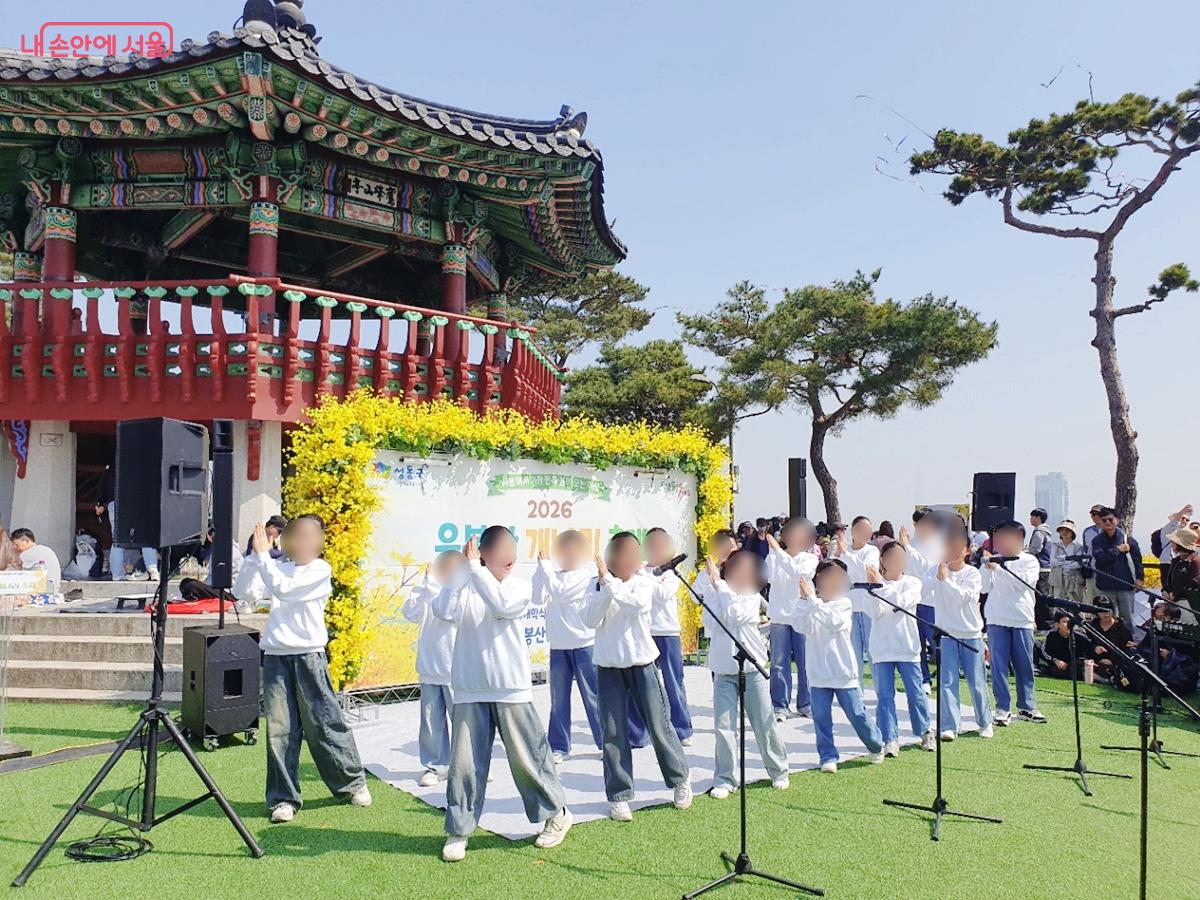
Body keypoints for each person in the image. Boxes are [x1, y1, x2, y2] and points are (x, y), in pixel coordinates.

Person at [433, 526, 572, 861]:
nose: (509, 555)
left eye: (512, 547)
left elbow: (501, 605)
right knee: (465, 764)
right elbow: (444, 612)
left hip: (511, 686)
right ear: (482, 553)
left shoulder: (518, 586)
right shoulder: (466, 581)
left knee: (528, 758)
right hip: (469, 688)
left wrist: (475, 570)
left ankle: (557, 813)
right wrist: (462, 573)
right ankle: (460, 828)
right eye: (500, 548)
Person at [248, 516, 372, 825]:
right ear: (287, 540)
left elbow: (286, 591)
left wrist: (263, 558)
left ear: (319, 542)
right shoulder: (277, 566)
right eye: (297, 536)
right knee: (279, 730)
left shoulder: (320, 569)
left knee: (324, 722)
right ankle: (283, 798)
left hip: (308, 656)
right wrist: (253, 557)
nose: (303, 542)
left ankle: (352, 783)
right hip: (276, 657)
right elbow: (245, 592)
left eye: (310, 536)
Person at [585, 532, 692, 822]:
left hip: (642, 663)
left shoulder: (644, 581)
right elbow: (589, 619)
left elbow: (635, 607)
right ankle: (619, 796)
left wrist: (611, 584)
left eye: (631, 554)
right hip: (608, 667)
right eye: (618, 554)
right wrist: (605, 586)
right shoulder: (596, 585)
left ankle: (680, 779)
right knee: (613, 733)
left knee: (659, 726)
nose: (625, 560)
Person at [776, 558, 884, 773]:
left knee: (857, 713)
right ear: (818, 579)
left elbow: (833, 622)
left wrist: (811, 601)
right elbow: (800, 625)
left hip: (843, 672)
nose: (834, 582)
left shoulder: (844, 603)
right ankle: (828, 756)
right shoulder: (809, 604)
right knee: (821, 718)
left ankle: (876, 744)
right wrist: (805, 601)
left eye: (839, 578)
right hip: (818, 673)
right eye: (829, 577)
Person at [700, 551, 790, 799]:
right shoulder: (716, 592)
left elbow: (735, 615)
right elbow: (712, 622)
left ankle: (779, 770)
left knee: (763, 722)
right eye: (735, 571)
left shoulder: (751, 596)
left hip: (752, 669)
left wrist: (720, 587)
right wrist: (716, 587)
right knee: (724, 727)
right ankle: (725, 779)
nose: (741, 576)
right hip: (723, 670)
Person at [532, 530, 604, 763]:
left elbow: (560, 593)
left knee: (593, 697)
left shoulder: (584, 576)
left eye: (573, 552)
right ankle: (559, 746)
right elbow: (537, 597)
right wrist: (540, 569)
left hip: (584, 644)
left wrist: (546, 568)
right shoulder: (551, 574)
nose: (569, 556)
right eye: (564, 551)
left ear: (582, 554)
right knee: (558, 699)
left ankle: (606, 743)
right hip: (558, 646)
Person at [402, 549, 466, 787]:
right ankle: (435, 766)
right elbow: (410, 613)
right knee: (431, 723)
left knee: (463, 721)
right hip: (429, 668)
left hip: (455, 669)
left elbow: (449, 613)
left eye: (452, 568)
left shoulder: (461, 593)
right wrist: (423, 585)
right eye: (443, 567)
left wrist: (435, 587)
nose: (446, 572)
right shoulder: (427, 589)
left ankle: (470, 763)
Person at [926, 523, 993, 741]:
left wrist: (945, 579)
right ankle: (949, 725)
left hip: (970, 634)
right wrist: (937, 576)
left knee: (976, 681)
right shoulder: (936, 570)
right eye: (949, 546)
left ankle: (985, 722)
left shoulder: (972, 573)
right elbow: (921, 591)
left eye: (958, 547)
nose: (953, 550)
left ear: (967, 551)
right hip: (947, 635)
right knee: (947, 681)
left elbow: (963, 597)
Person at [866, 543, 934, 753]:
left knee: (915, 692)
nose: (898, 562)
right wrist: (878, 588)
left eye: (901, 558)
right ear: (883, 560)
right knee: (885, 696)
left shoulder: (912, 582)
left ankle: (925, 731)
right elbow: (875, 611)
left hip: (907, 647)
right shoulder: (873, 586)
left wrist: (880, 588)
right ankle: (889, 738)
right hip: (882, 649)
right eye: (893, 557)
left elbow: (901, 603)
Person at [982, 520, 1047, 725]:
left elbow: (1022, 583)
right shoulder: (993, 560)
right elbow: (983, 588)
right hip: (996, 618)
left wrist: (997, 568)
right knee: (998, 666)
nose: (1000, 541)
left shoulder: (1029, 560)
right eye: (998, 538)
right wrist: (987, 568)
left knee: (1024, 664)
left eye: (1005, 537)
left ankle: (1027, 706)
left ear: (1019, 538)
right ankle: (1002, 707)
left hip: (1021, 619)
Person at [641, 527, 694, 745]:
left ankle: (682, 729)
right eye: (652, 545)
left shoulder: (671, 573)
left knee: (674, 682)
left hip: (668, 633)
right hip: (645, 633)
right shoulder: (640, 570)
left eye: (661, 545)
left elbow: (662, 595)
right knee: (646, 684)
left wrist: (645, 578)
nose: (656, 549)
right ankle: (646, 731)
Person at [764, 519, 819, 720]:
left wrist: (779, 552)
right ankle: (780, 705)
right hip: (780, 616)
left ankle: (806, 703)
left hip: (802, 615)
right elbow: (771, 578)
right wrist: (776, 553)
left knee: (806, 662)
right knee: (779, 663)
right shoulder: (772, 556)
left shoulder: (809, 558)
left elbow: (798, 574)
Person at [900, 509, 944, 693]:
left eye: (930, 523)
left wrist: (907, 548)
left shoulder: (938, 544)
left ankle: (944, 677)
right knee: (915, 642)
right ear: (915, 524)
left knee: (935, 641)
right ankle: (924, 679)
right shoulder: (910, 543)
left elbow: (928, 568)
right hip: (911, 600)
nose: (927, 526)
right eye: (923, 523)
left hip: (930, 601)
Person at [834, 516, 881, 690]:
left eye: (867, 530)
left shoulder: (872, 551)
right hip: (848, 607)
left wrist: (846, 554)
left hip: (868, 607)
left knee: (873, 651)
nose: (864, 533)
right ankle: (856, 691)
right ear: (853, 531)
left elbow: (866, 571)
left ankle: (881, 691)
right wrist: (838, 553)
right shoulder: (842, 550)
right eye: (860, 529)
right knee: (852, 653)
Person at [94, 464, 159, 582]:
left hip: (116, 501)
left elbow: (103, 484)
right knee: (146, 537)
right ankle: (152, 570)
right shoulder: (144, 464)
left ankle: (117, 575)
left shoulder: (114, 466)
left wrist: (100, 502)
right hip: (139, 500)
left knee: (117, 540)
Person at [1090, 507, 1144, 625]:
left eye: (1110, 519)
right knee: (1106, 619)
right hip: (1106, 586)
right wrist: (1117, 550)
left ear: (1117, 520)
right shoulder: (1097, 541)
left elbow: (1137, 561)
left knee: (1127, 620)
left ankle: (1129, 637)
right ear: (1100, 523)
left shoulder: (1128, 540)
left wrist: (1140, 578)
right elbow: (1100, 558)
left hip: (1126, 585)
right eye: (1104, 520)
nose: (1107, 522)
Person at [1087, 597, 1133, 684]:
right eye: (1102, 611)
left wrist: (1113, 661)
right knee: (1081, 665)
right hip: (1096, 662)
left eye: (1108, 610)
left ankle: (1110, 679)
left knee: (1125, 679)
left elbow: (1127, 650)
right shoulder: (1093, 626)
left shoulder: (1123, 628)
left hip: (1116, 664)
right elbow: (1087, 645)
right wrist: (1095, 649)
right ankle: (1104, 678)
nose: (1106, 614)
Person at [1162, 528, 1200, 625]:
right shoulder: (1176, 561)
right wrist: (1165, 591)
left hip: (1188, 604)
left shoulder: (1195, 562)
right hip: (1173, 603)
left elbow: (1194, 583)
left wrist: (1175, 595)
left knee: (1187, 628)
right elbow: (1169, 579)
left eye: (1174, 542)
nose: (1172, 544)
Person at [1036, 611, 1088, 678]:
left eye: (1070, 622)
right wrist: (1055, 660)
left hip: (1076, 664)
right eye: (1065, 622)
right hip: (1058, 663)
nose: (1068, 624)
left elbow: (1089, 650)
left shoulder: (1080, 636)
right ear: (1058, 624)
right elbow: (1045, 651)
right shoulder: (1051, 635)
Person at [9, 528, 62, 594]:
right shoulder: (46, 549)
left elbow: (10, 570)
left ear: (27, 541)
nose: (14, 547)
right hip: (54, 589)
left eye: (16, 544)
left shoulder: (28, 554)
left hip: (42, 591)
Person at [1049, 520, 1086, 605]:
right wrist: (1069, 561)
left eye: (1067, 530)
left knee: (1075, 603)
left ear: (1072, 532)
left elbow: (1078, 563)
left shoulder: (1078, 546)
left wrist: (1062, 561)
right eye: (1062, 530)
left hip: (1074, 579)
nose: (1064, 532)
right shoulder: (1055, 545)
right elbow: (1052, 561)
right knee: (1058, 603)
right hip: (1058, 579)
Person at [1027, 508, 1054, 618]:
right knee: (1041, 596)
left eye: (1032, 517)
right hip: (1044, 567)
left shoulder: (1039, 532)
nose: (1030, 519)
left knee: (1040, 597)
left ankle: (1046, 622)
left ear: (1038, 518)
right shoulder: (1046, 532)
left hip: (1040, 568)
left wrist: (1024, 553)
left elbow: (1035, 549)